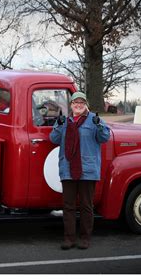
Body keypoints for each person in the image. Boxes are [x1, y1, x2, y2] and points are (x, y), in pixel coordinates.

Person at [49, 91, 110, 250]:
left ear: (86, 105)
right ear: (71, 105)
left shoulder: (94, 120)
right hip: (68, 168)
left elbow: (104, 138)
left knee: (86, 205)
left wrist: (99, 125)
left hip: (88, 169)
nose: (78, 105)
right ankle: (69, 238)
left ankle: (85, 238)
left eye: (82, 102)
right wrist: (59, 125)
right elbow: (53, 139)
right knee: (68, 206)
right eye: (76, 102)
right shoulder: (64, 120)